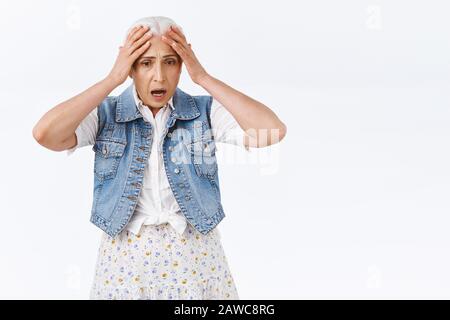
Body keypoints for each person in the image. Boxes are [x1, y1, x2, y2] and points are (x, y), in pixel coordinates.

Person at [32, 16, 287, 300]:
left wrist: (203, 77)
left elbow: (272, 131)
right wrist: (111, 80)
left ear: (183, 64)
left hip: (195, 260)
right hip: (124, 264)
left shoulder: (203, 113)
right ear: (129, 67)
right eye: (145, 63)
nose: (159, 76)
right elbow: (45, 134)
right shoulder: (106, 114)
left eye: (170, 61)